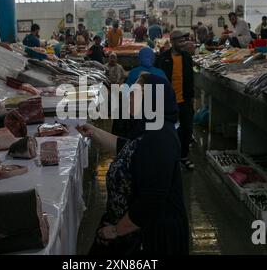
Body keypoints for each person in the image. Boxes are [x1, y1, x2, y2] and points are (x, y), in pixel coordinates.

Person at [77, 73, 189, 255]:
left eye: (135, 92)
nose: (128, 96)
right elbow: (128, 147)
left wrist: (117, 230)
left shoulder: (161, 138)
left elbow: (152, 198)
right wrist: (93, 131)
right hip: (134, 228)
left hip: (153, 237)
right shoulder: (150, 127)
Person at [156, 30, 195, 170]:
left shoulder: (186, 58)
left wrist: (191, 98)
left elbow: (190, 79)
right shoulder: (163, 58)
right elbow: (158, 78)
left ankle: (183, 157)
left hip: (184, 100)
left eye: (184, 41)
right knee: (167, 130)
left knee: (187, 129)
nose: (183, 44)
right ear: (172, 42)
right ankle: (168, 158)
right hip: (168, 100)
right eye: (180, 41)